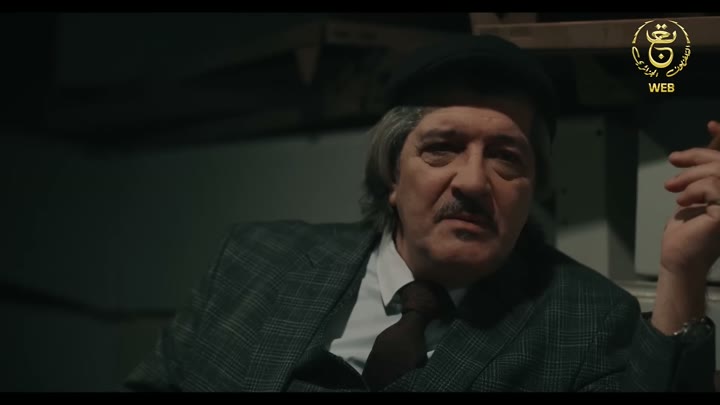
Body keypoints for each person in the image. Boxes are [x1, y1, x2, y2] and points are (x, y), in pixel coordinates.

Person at [124, 34, 718, 392]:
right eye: (442, 148)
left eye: (506, 157)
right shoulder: (255, 261)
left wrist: (684, 272)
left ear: (533, 189)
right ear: (391, 174)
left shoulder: (588, 321)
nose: (473, 181)